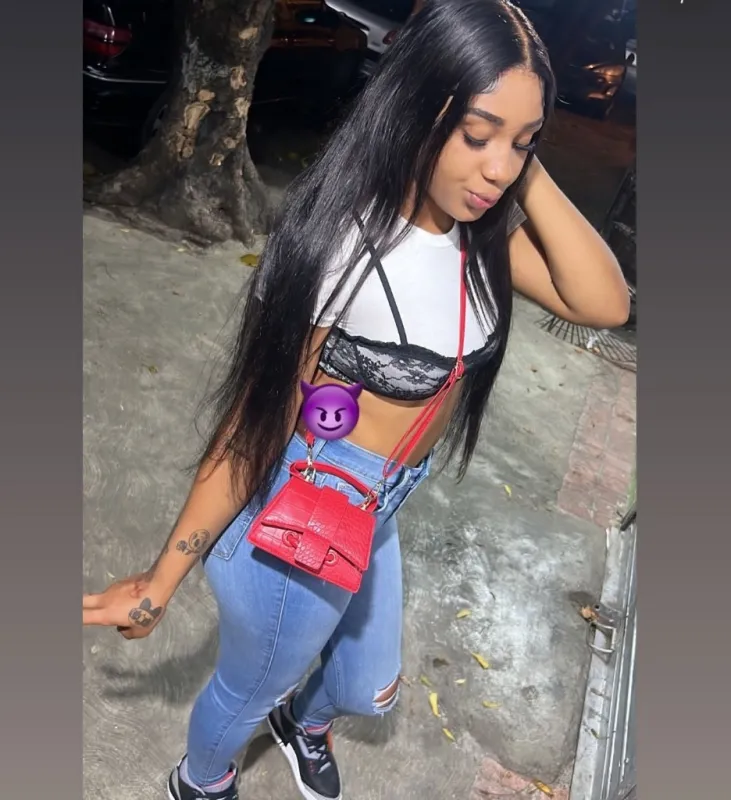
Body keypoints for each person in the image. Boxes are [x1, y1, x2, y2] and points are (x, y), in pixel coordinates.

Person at [82, 1, 630, 799]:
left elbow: (602, 303)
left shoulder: (480, 227)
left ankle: (301, 721)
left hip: (382, 504)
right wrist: (162, 580)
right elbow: (250, 427)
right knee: (248, 688)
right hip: (310, 504)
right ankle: (200, 782)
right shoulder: (344, 249)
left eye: (522, 141)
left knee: (368, 691)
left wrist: (517, 150)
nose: (497, 170)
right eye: (475, 135)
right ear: (415, 108)